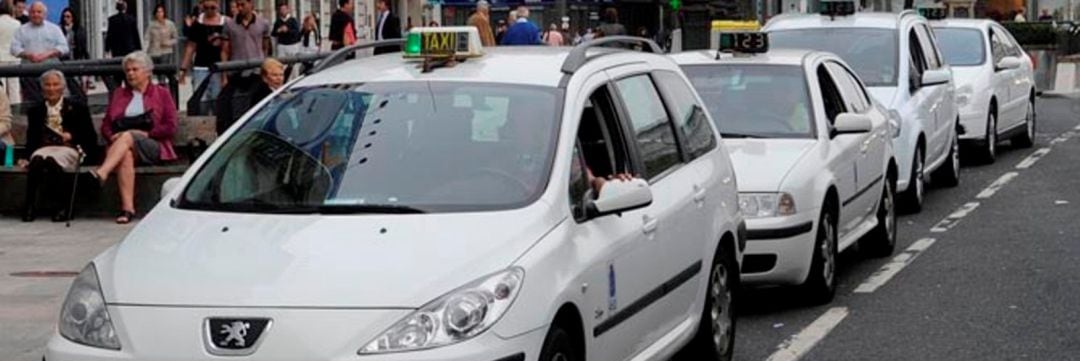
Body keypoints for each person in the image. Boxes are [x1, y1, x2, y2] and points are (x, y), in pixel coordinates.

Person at [91, 51, 178, 224]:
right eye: (128, 70)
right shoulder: (118, 94)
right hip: (120, 146)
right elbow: (106, 125)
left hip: (153, 145)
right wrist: (112, 136)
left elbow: (170, 126)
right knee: (126, 155)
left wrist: (146, 134)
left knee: (129, 136)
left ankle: (102, 172)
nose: (130, 73)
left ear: (147, 72)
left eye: (135, 69)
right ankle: (127, 209)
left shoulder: (161, 93)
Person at [19, 70, 97, 222]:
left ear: (62, 87)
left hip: (70, 148)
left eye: (55, 85)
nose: (51, 89)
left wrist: (72, 136)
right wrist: (24, 157)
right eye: (47, 85)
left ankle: (63, 206)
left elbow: (89, 136)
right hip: (44, 147)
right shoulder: (35, 110)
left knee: (51, 161)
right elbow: (32, 138)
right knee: (38, 160)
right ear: (42, 89)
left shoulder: (78, 107)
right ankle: (29, 205)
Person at [11, 1, 68, 105]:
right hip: (29, 73)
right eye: (33, 12)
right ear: (28, 13)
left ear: (45, 14)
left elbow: (64, 47)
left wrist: (48, 54)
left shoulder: (54, 29)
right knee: (33, 104)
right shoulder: (21, 30)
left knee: (54, 102)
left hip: (51, 72)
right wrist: (28, 55)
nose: (36, 14)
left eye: (39, 12)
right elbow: (14, 48)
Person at [179, 0, 228, 104]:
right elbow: (190, 47)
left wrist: (225, 73)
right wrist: (183, 69)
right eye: (206, 8)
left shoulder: (226, 22)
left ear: (218, 4)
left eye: (212, 8)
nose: (209, 11)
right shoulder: (197, 23)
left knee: (218, 99)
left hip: (219, 67)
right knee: (200, 99)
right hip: (200, 66)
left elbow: (227, 49)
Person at [0, 2, 22, 103]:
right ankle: (16, 111)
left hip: (0, 59)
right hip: (14, 58)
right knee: (14, 88)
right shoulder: (17, 23)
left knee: (1, 87)